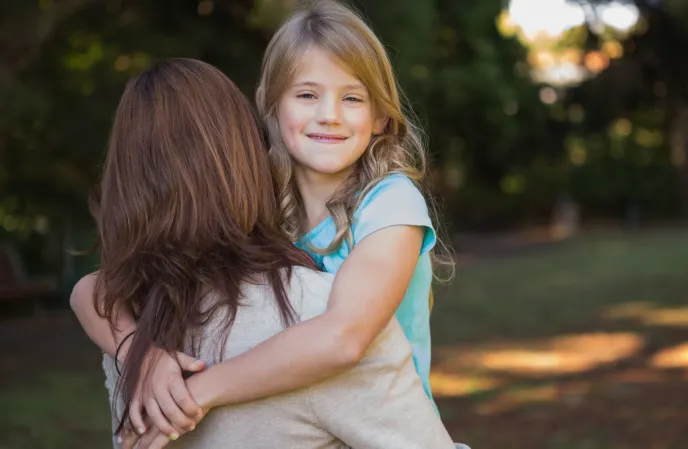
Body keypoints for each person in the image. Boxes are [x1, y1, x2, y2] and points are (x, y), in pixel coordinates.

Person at [72, 0, 461, 445]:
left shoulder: (391, 205)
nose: (329, 114)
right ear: (271, 106)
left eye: (352, 98)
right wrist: (140, 354)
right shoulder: (267, 202)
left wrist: (200, 389)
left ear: (380, 118)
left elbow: (345, 337)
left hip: (383, 428)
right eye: (307, 95)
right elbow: (90, 290)